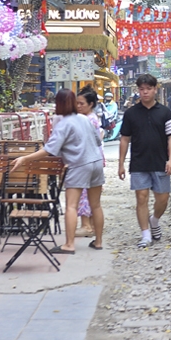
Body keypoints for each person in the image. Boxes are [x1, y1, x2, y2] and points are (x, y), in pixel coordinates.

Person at [12, 89, 104, 253]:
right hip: (96, 162)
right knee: (96, 205)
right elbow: (97, 140)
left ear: (59, 104)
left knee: (71, 206)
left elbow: (48, 150)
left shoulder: (63, 124)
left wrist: (25, 158)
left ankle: (69, 245)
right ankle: (98, 242)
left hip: (79, 165)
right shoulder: (84, 119)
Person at [118, 74, 171, 246]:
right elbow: (124, 139)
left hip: (160, 161)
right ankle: (145, 234)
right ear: (138, 90)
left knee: (163, 199)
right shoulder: (131, 113)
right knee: (141, 197)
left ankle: (154, 220)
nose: (145, 92)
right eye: (142, 89)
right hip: (138, 162)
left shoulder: (165, 112)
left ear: (155, 90)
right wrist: (121, 164)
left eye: (148, 89)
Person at [74, 87, 106, 237]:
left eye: (81, 104)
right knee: (94, 198)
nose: (78, 106)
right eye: (77, 103)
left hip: (87, 160)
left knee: (85, 194)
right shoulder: (92, 118)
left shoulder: (87, 119)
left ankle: (86, 225)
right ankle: (92, 227)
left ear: (91, 104)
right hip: (94, 159)